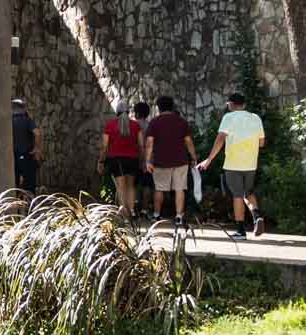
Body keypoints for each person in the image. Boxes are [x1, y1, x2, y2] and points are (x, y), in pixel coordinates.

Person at [200, 91, 268, 237]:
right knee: (248, 192)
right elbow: (261, 142)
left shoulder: (228, 117)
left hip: (233, 163)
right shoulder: (255, 118)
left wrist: (209, 159)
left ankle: (241, 230)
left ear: (230, 104)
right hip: (250, 163)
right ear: (244, 104)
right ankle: (257, 217)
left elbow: (220, 139)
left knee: (237, 195)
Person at [146, 95, 197, 226]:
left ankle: (157, 215)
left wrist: (147, 161)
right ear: (172, 106)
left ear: (159, 107)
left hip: (160, 161)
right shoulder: (181, 121)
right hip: (180, 160)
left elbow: (149, 143)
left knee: (159, 189)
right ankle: (179, 216)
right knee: (180, 189)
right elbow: (188, 141)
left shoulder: (154, 122)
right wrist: (193, 156)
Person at [98, 101, 145, 220]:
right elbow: (141, 145)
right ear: (128, 112)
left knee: (121, 187)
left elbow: (104, 146)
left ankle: (123, 212)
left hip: (116, 160)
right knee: (130, 186)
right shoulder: (136, 125)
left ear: (117, 112)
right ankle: (132, 211)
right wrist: (143, 160)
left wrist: (101, 161)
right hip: (133, 159)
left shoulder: (110, 125)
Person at [11, 99, 43, 194]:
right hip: (26, 155)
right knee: (29, 182)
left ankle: (15, 204)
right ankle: (29, 204)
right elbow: (37, 133)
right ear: (24, 109)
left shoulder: (8, 122)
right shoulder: (27, 120)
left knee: (14, 182)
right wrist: (37, 149)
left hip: (12, 156)